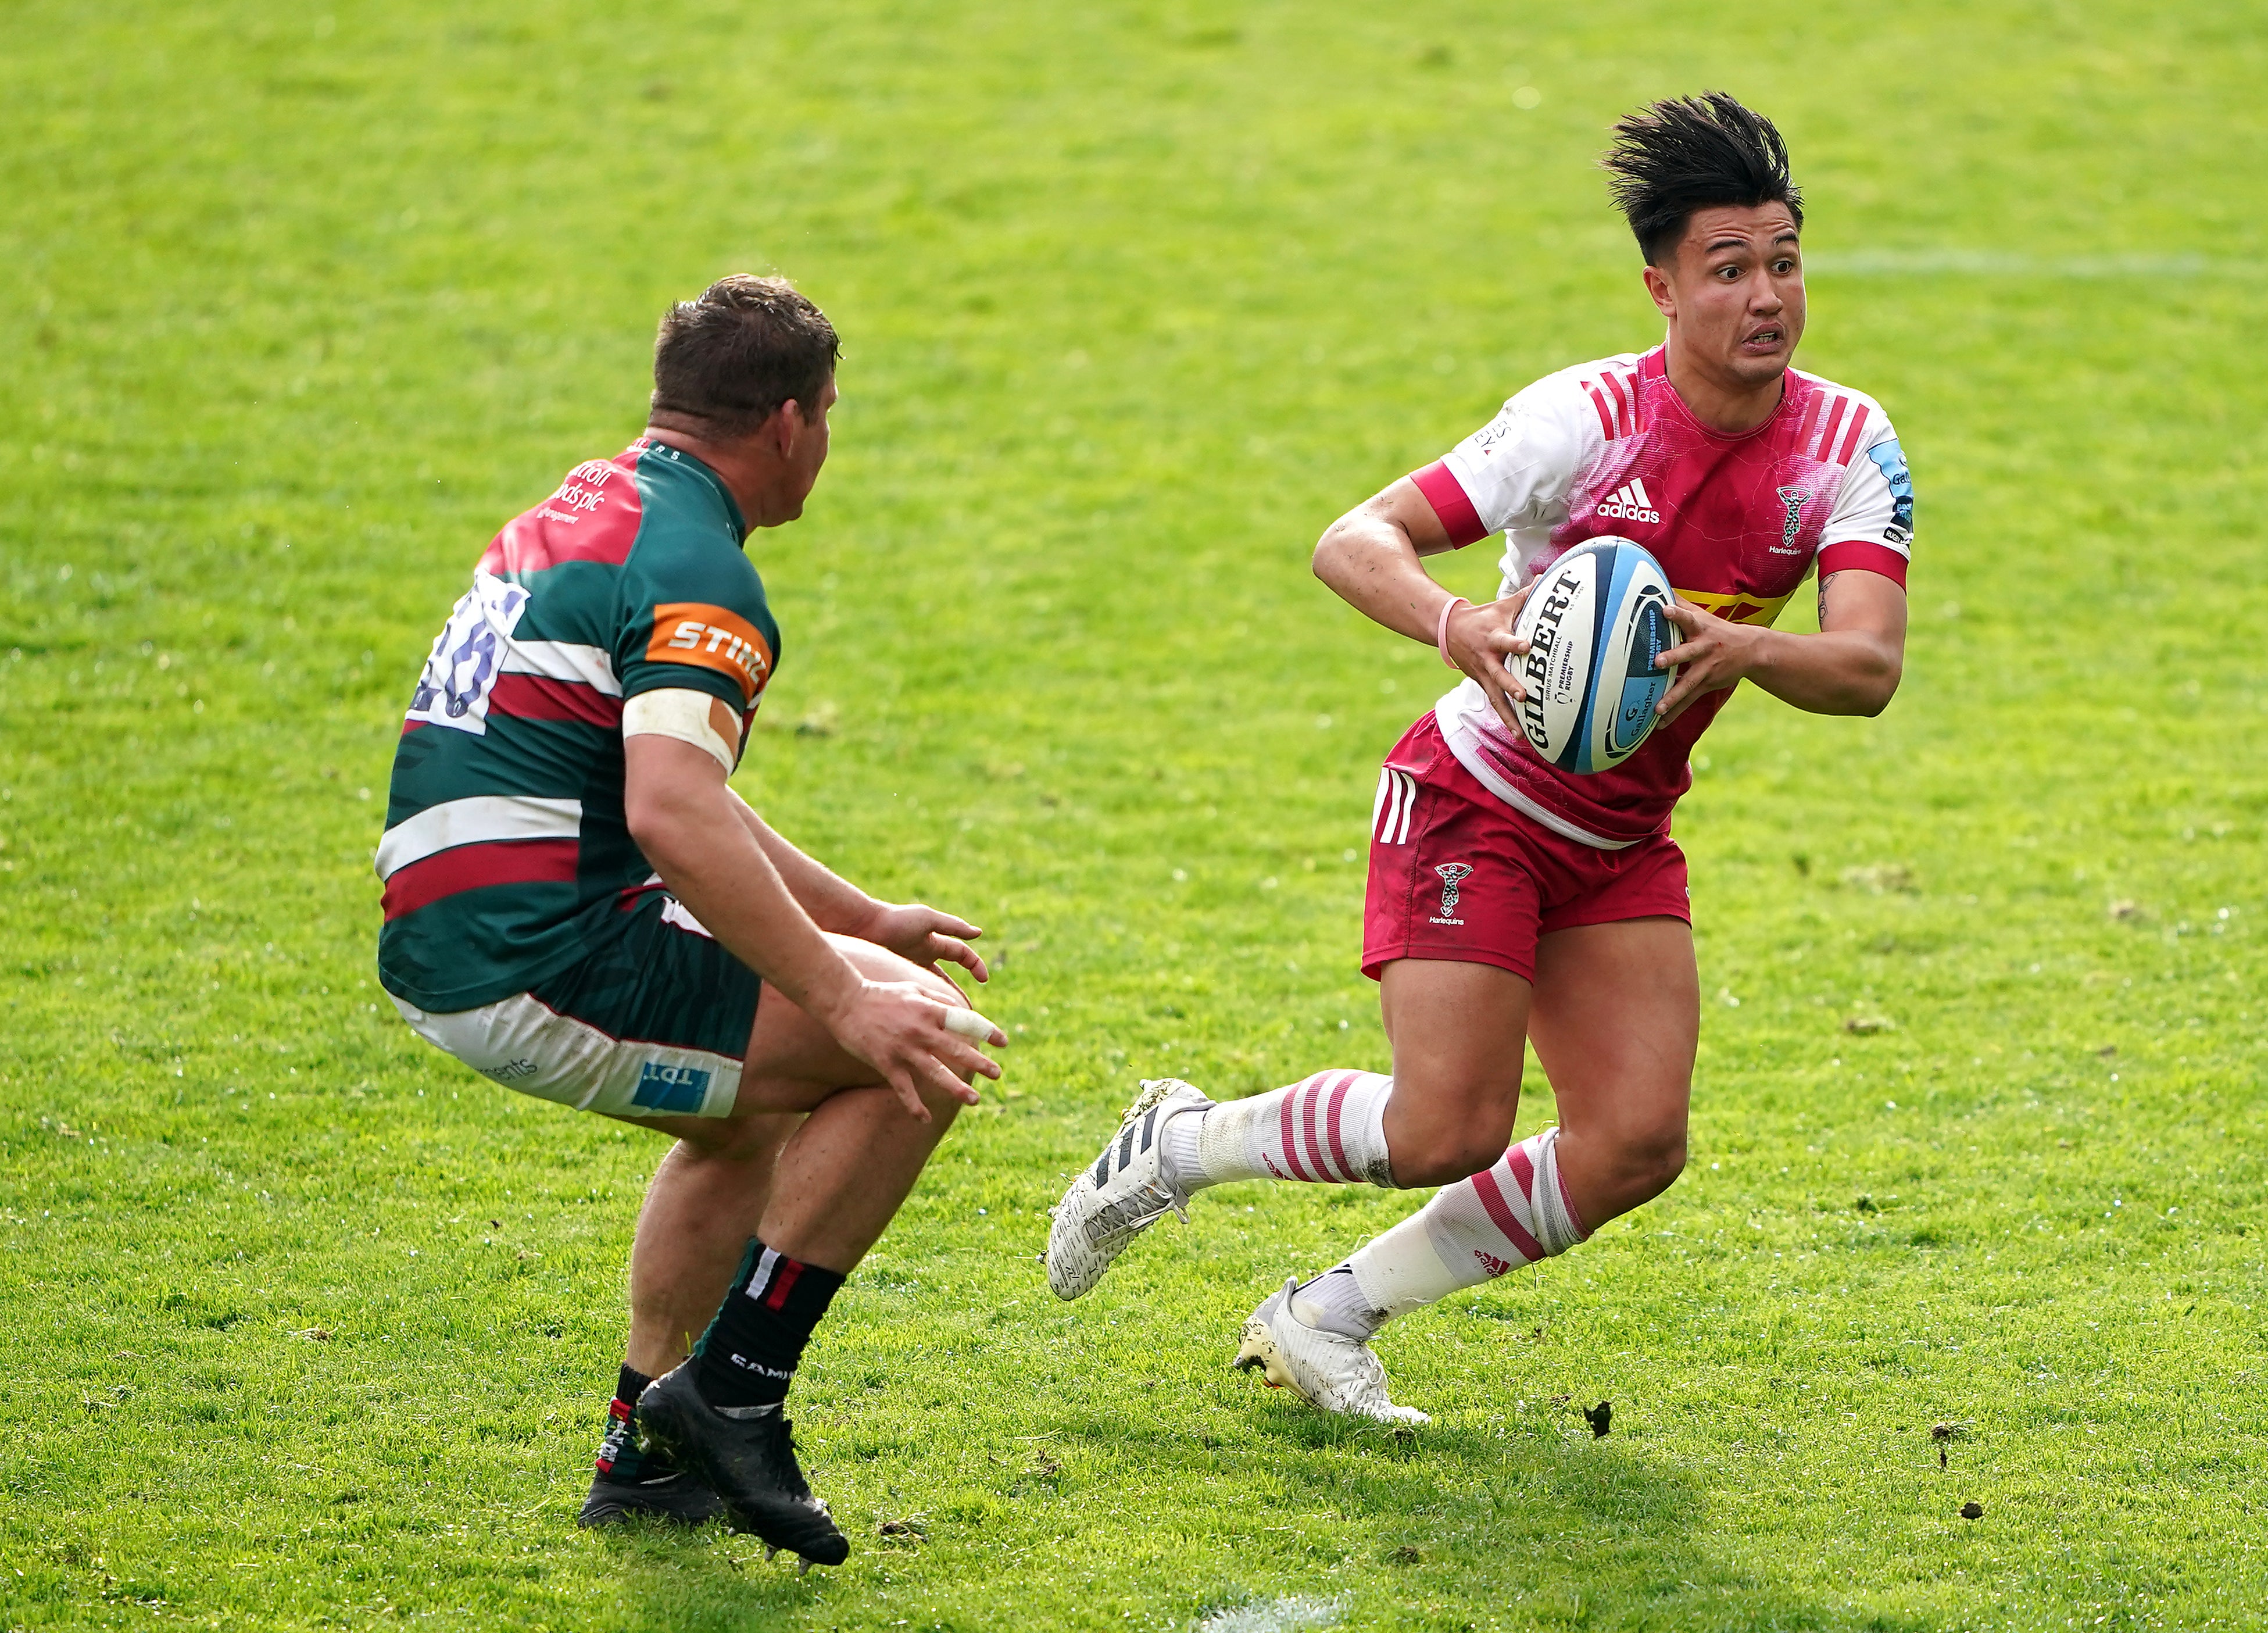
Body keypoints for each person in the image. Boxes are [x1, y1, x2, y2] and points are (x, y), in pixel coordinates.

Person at [1046, 94, 1913, 1423]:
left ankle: (1325, 1316)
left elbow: (1866, 668)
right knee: (1441, 1129)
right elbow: (1356, 538)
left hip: (1617, 834)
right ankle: (1175, 1141)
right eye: (1727, 269)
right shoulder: (1583, 418)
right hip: (1478, 800)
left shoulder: (1846, 445)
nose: (1764, 296)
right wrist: (1459, 623)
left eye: (1783, 262)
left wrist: (1742, 653)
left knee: (1633, 1142)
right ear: (1662, 288)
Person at [375, 276, 1004, 1564]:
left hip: (454, 928)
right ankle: (732, 1395)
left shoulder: (582, 511)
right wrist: (849, 997)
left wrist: (861, 920)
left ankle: (647, 1461)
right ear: (786, 423)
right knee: (921, 1047)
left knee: (752, 1115)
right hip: (538, 954)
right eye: (828, 415)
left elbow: (667, 792)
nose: (825, 441)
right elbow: (671, 809)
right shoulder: (702, 571)